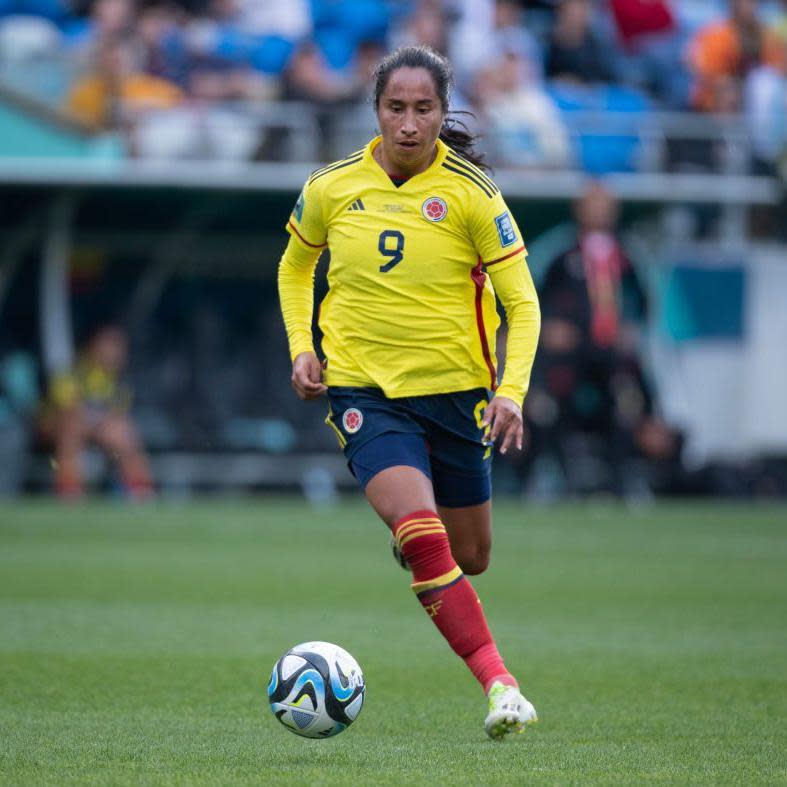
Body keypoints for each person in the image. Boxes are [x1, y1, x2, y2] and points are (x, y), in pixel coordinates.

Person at [278, 45, 541, 740]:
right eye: (395, 107)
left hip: (458, 396)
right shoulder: (332, 187)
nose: (407, 123)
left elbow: (524, 303)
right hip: (364, 391)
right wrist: (302, 346)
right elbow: (294, 267)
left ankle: (421, 547)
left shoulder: (472, 195)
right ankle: (500, 683)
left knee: (470, 556)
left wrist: (511, 391)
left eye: (423, 108)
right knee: (424, 537)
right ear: (376, 111)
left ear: (441, 113)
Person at [41, 325, 153, 500]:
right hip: (54, 425)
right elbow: (66, 408)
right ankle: (69, 491)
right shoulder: (73, 368)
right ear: (94, 345)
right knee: (72, 428)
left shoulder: (119, 377)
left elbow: (118, 412)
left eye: (119, 346)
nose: (116, 351)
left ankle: (141, 491)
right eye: (111, 344)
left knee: (124, 432)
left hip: (94, 428)